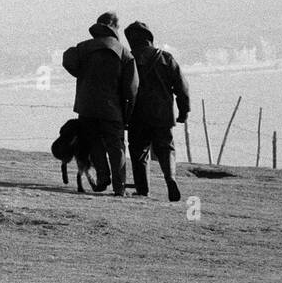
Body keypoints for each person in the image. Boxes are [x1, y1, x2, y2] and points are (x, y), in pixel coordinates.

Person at [61, 11, 138, 196]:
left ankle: (103, 179)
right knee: (116, 146)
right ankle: (119, 187)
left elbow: (68, 59)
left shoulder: (83, 48)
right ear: (114, 28)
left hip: (86, 106)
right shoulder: (124, 53)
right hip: (113, 108)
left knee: (94, 142)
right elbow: (132, 88)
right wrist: (127, 112)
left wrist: (81, 73)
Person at [124, 20, 189, 201]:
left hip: (137, 115)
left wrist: (123, 114)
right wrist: (184, 111)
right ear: (149, 38)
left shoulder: (128, 59)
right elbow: (182, 88)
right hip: (163, 114)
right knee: (166, 148)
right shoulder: (166, 58)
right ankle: (170, 178)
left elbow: (122, 88)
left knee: (139, 152)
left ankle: (143, 189)